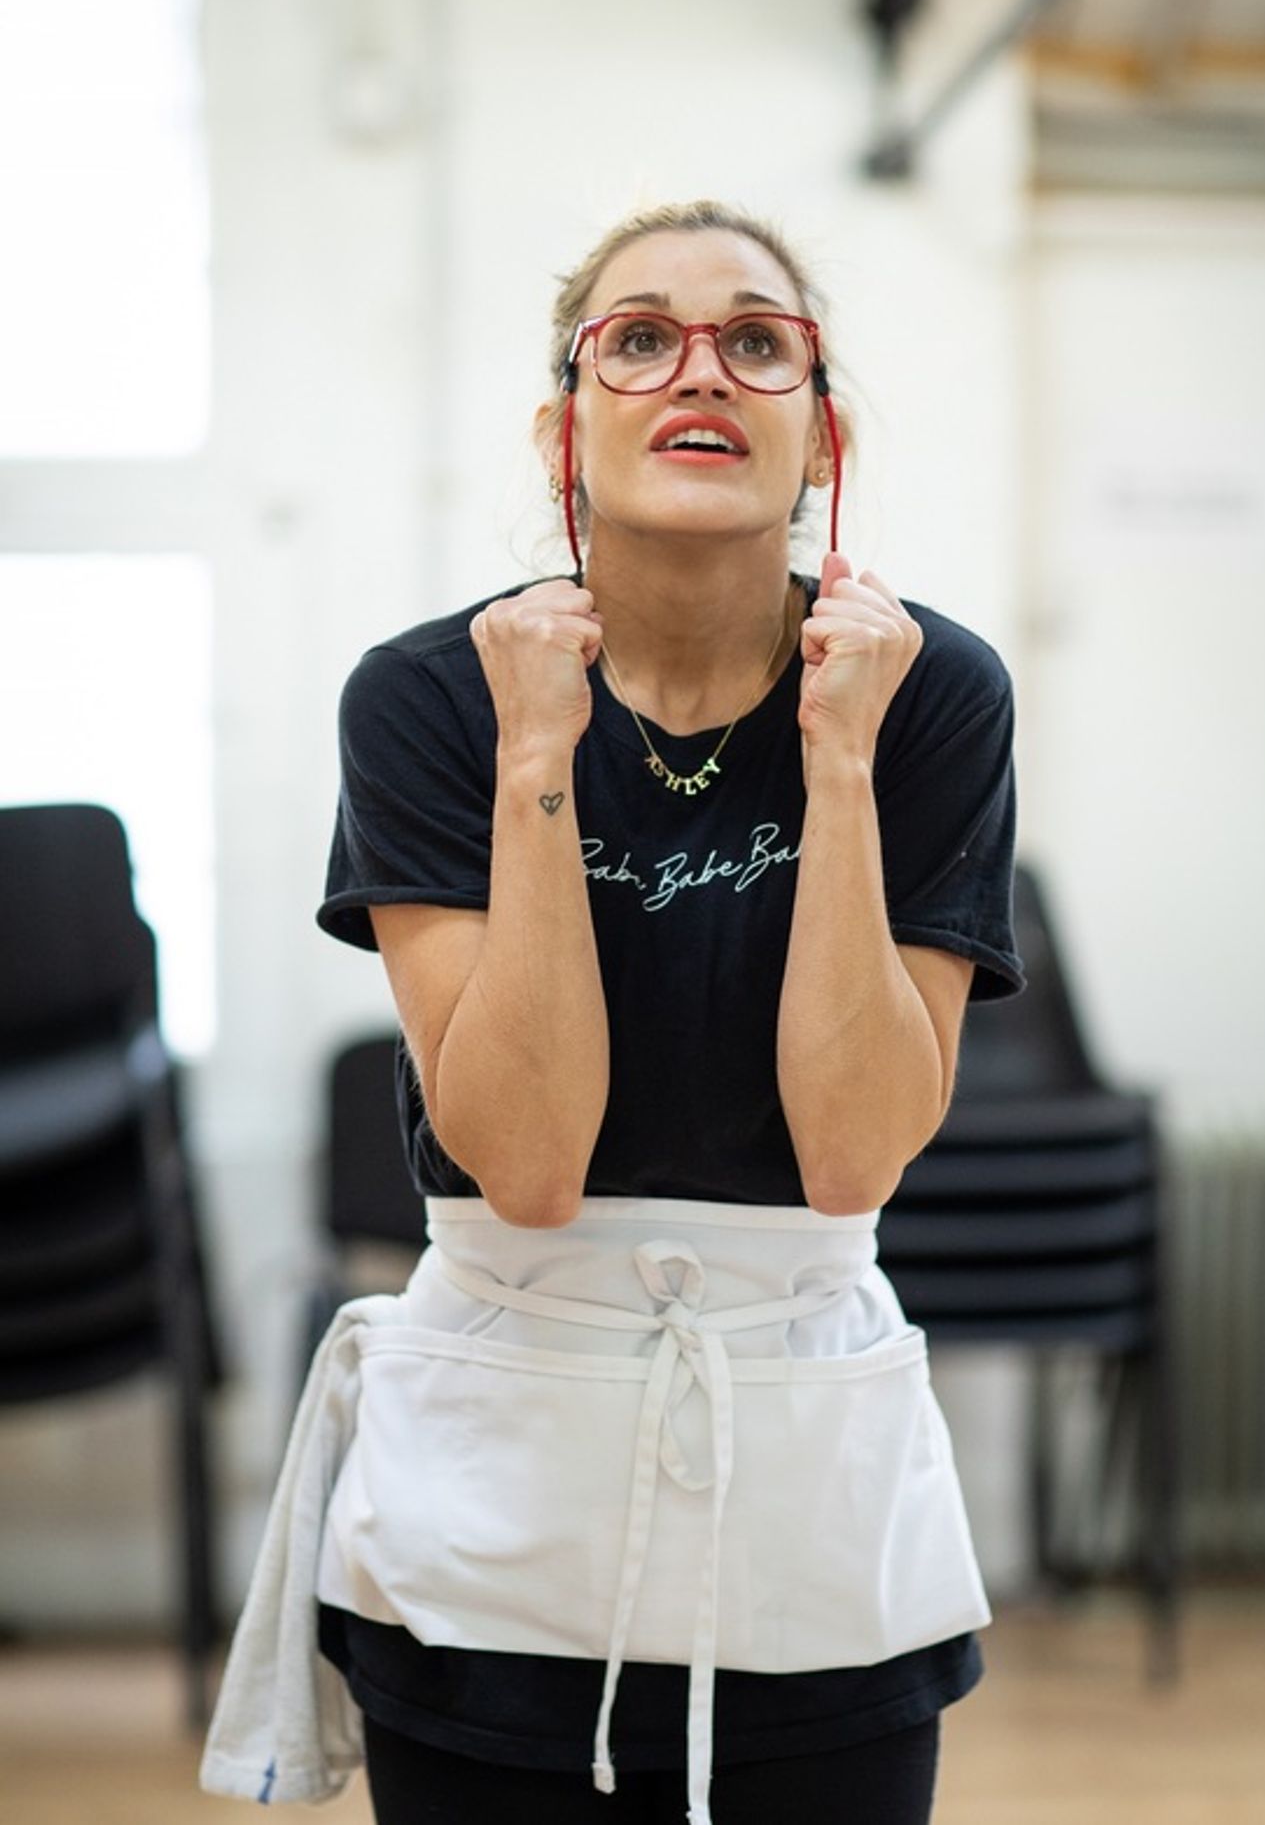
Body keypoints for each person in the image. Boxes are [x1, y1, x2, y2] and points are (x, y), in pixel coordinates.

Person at [201, 199, 1025, 1825]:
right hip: (495, 1492)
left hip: (807, 1484)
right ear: (563, 425)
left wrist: (843, 759)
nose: (695, 370)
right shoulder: (431, 697)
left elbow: (856, 1152)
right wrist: (532, 761)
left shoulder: (934, 691)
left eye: (757, 342)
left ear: (823, 429)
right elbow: (524, 1160)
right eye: (637, 338)